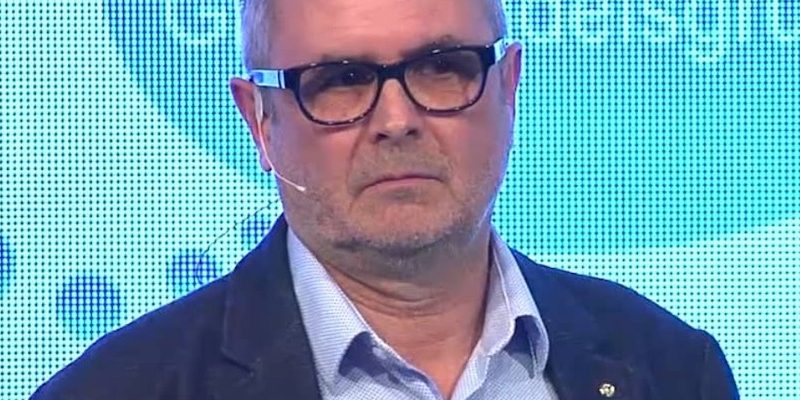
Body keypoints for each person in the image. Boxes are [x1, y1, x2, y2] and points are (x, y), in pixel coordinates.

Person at [31, 0, 739, 398]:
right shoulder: (114, 392)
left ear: (508, 88)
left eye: (441, 67)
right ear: (260, 122)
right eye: (340, 80)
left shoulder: (676, 370)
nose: (397, 120)